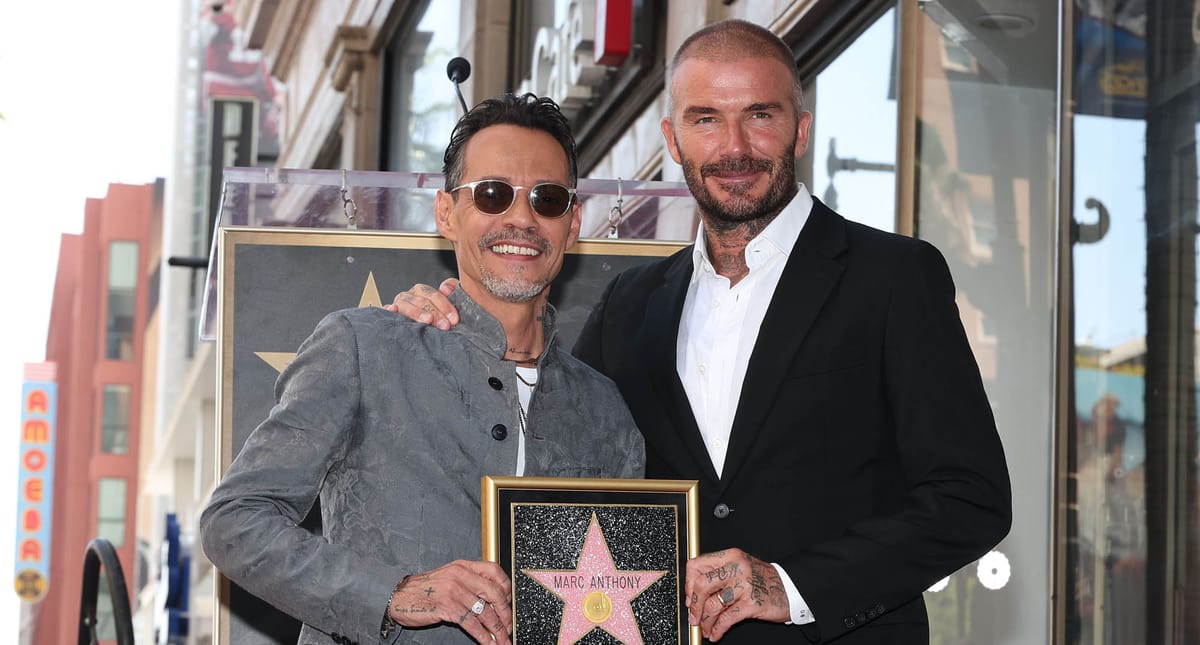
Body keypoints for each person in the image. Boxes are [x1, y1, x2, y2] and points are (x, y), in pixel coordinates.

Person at [389, 19, 1011, 645]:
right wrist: (444, 330)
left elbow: (970, 497)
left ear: (800, 130)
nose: (734, 147)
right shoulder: (630, 304)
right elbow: (550, 450)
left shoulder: (893, 277)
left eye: (760, 115)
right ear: (674, 139)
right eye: (706, 119)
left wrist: (794, 587)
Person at [200, 93, 645, 645]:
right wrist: (393, 594)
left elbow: (620, 607)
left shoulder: (606, 412)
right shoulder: (365, 348)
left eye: (547, 199)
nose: (522, 218)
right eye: (492, 194)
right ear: (446, 214)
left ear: (572, 223)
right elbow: (234, 521)